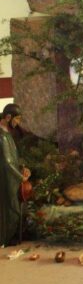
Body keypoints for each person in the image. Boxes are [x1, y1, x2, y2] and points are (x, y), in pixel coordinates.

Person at [0, 103, 31, 246]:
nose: (18, 122)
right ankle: (4, 239)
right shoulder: (2, 136)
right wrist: (21, 177)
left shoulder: (8, 133)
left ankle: (10, 238)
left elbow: (14, 158)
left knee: (15, 208)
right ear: (8, 117)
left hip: (13, 177)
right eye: (17, 119)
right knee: (11, 209)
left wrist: (22, 168)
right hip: (6, 178)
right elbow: (7, 162)